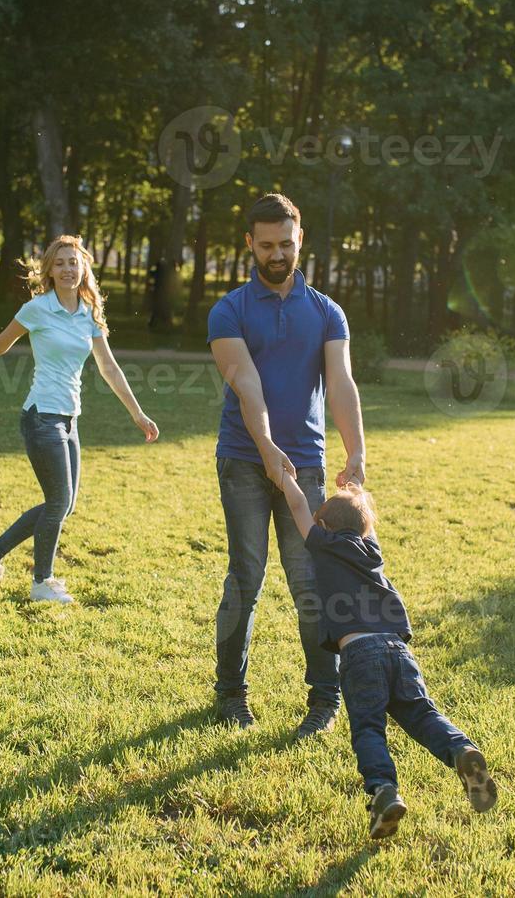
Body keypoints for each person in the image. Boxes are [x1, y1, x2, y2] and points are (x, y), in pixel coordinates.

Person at [207, 192, 367, 739]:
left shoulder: (326, 312)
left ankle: (325, 700)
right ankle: (230, 695)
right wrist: (268, 449)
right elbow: (246, 385)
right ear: (250, 243)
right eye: (267, 244)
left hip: (308, 468)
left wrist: (357, 451)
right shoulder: (229, 310)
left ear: (302, 242)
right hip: (244, 464)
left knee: (312, 585)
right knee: (245, 578)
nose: (277, 254)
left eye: (287, 244)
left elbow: (341, 382)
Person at [275, 474, 498, 839]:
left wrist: (286, 478)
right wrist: (356, 488)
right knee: (423, 714)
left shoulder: (323, 545)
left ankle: (384, 790)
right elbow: (363, 523)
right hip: (398, 650)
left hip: (360, 653)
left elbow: (299, 506)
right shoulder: (372, 550)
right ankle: (461, 749)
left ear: (325, 527)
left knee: (368, 727)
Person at [0, 235, 159, 603]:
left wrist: (137, 413)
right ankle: (42, 582)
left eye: (74, 262)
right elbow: (0, 343)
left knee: (64, 504)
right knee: (58, 502)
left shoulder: (88, 312)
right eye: (60, 263)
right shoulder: (38, 309)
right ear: (50, 271)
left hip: (69, 419)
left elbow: (109, 366)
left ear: (84, 267)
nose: (68, 269)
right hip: (41, 416)